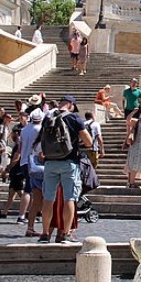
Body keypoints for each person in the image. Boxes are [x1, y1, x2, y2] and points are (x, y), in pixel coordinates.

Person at [38, 95, 93, 244]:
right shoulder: (74, 118)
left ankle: (44, 233)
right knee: (69, 198)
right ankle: (66, 233)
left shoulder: (48, 117)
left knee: (48, 199)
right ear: (70, 105)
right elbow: (88, 142)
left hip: (50, 163)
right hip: (69, 162)